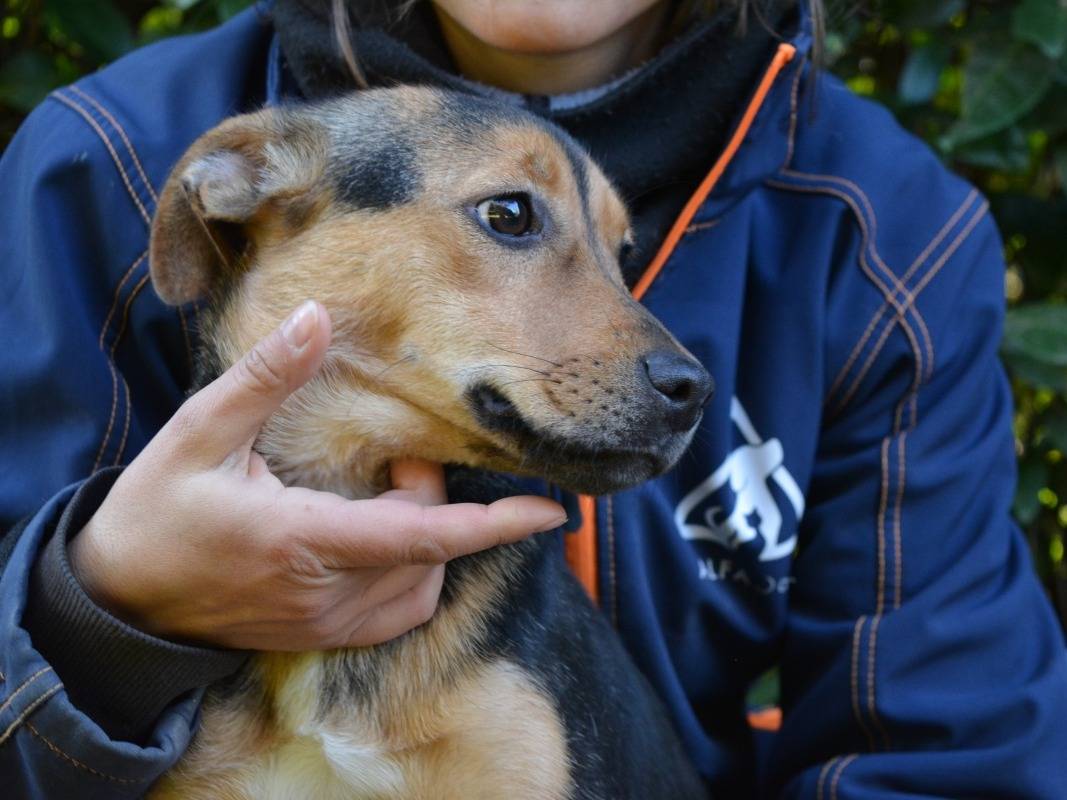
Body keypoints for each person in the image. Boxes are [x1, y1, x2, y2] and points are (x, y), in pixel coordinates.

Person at [1, 0, 1065, 797]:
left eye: (612, 254)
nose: (656, 356)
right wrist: (103, 609)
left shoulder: (885, 238)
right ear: (248, 203)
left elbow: (946, 758)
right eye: (509, 217)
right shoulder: (108, 165)